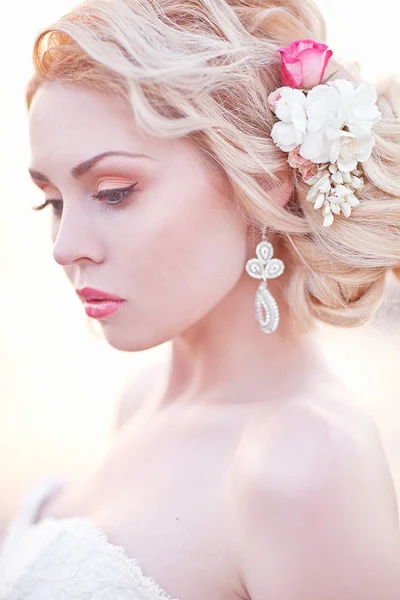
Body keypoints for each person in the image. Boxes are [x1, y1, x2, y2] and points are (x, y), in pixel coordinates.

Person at [1, 0, 400, 598]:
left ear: (264, 180)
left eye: (112, 192)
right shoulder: (141, 402)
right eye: (54, 202)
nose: (65, 248)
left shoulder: (303, 462)